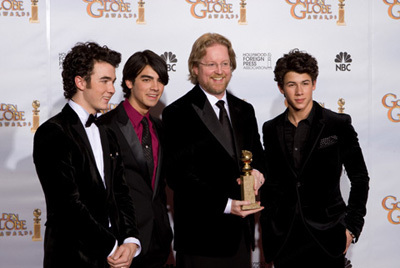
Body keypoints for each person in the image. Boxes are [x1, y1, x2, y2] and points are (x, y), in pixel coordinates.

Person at [33, 42, 141, 268]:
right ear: (80, 82)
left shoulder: (107, 132)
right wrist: (112, 247)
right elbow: (66, 206)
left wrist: (130, 240)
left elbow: (121, 192)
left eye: (112, 81)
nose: (112, 89)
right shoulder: (52, 133)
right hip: (73, 256)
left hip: (115, 256)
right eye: (104, 81)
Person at [162, 32, 265, 268]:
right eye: (211, 64)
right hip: (200, 240)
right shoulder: (177, 113)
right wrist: (227, 205)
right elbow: (178, 175)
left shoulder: (245, 110)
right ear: (195, 68)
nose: (219, 70)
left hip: (240, 238)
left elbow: (258, 156)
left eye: (225, 63)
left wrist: (258, 172)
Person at [260, 49, 370, 268]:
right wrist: (270, 226)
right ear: (281, 88)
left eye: (305, 83)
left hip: (328, 236)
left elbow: (360, 178)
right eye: (292, 84)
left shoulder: (337, 124)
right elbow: (271, 184)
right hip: (286, 238)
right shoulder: (271, 129)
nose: (299, 91)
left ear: (314, 84)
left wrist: (351, 228)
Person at [99, 50, 173, 268]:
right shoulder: (105, 127)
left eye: (160, 81)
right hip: (121, 243)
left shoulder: (161, 128)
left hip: (159, 242)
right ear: (129, 82)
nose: (155, 87)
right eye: (147, 79)